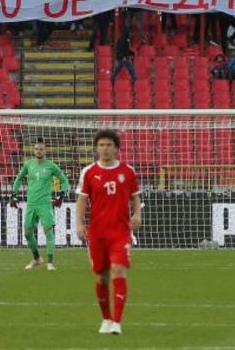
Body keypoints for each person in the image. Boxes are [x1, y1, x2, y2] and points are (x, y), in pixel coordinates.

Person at [75, 129, 141, 335]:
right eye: (101, 145)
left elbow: (135, 197)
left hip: (120, 232)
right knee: (101, 277)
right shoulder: (89, 172)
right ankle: (105, 319)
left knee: (118, 270)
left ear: (117, 149)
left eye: (109, 145)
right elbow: (82, 199)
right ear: (96, 148)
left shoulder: (128, 171)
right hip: (97, 233)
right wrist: (78, 223)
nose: (105, 148)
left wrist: (137, 214)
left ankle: (117, 322)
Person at [10, 138, 71, 271]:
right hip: (31, 204)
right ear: (34, 150)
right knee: (27, 233)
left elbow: (65, 181)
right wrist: (14, 195)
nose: (39, 151)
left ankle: (50, 262)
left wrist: (61, 194)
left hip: (45, 204)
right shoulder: (28, 165)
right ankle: (37, 258)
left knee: (48, 231)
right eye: (37, 149)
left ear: (45, 150)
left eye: (41, 149)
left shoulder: (51, 166)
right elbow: (18, 179)